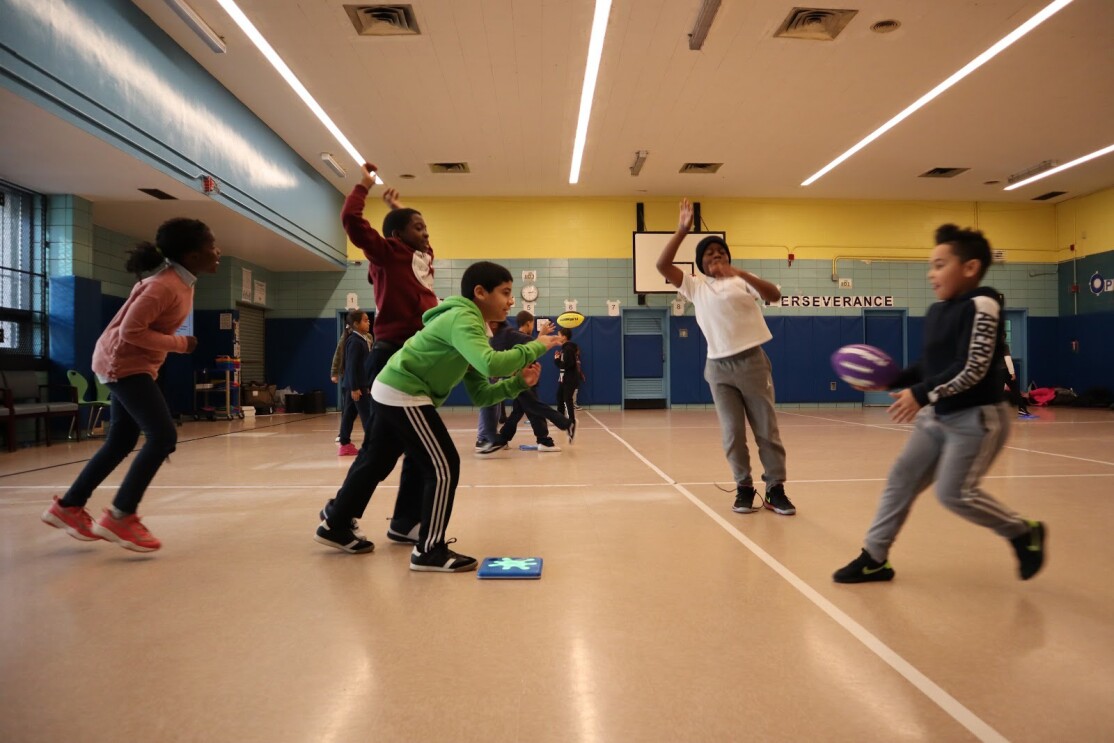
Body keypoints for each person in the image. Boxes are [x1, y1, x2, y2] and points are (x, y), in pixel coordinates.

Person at [314, 261, 563, 571]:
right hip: (403, 391)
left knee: (379, 459)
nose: (511, 301)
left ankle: (343, 523)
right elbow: (490, 365)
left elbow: (482, 394)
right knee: (444, 463)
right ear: (480, 292)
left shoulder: (473, 328)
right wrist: (535, 346)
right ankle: (429, 550)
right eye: (506, 292)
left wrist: (516, 383)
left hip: (393, 389)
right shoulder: (463, 318)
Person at [833, 224, 1046, 584]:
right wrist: (897, 380)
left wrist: (920, 394)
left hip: (977, 419)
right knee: (901, 478)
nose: (931, 274)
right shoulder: (937, 311)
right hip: (937, 416)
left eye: (939, 264)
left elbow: (973, 368)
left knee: (954, 494)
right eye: (930, 266)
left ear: (970, 268)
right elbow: (931, 366)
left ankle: (1023, 532)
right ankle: (874, 557)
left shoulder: (983, 303)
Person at [41, 218, 220, 552]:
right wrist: (181, 344)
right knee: (163, 436)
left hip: (132, 363)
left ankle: (68, 506)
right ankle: (122, 515)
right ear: (192, 255)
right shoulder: (164, 285)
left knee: (121, 440)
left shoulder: (182, 281)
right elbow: (130, 332)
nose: (218, 251)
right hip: (122, 363)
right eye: (212, 245)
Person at [319, 164, 439, 542]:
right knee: (391, 450)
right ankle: (338, 519)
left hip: (413, 359)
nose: (426, 234)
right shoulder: (388, 255)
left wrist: (397, 209)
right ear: (397, 236)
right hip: (392, 357)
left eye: (425, 227)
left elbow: (419, 244)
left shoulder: (420, 259)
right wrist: (365, 185)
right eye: (418, 228)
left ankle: (399, 521)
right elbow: (351, 220)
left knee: (393, 449)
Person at [655, 199, 794, 516]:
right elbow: (662, 265)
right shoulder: (695, 286)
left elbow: (774, 295)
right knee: (733, 434)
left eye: (721, 252)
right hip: (718, 368)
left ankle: (775, 489)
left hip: (753, 363)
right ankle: (744, 487)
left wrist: (739, 272)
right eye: (709, 254)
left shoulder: (742, 280)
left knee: (766, 431)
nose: (716, 256)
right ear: (701, 264)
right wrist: (681, 231)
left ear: (729, 258)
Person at [477, 310, 571, 453]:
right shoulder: (516, 336)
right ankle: (547, 438)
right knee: (534, 408)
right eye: (533, 323)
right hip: (523, 380)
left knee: (518, 411)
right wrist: (544, 336)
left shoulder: (511, 336)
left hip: (521, 380)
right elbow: (535, 347)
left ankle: (502, 439)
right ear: (528, 323)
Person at [336, 309, 373, 455]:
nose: (368, 322)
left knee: (349, 415)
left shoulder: (362, 340)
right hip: (356, 386)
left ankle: (344, 443)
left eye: (368, 320)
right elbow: (351, 366)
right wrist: (355, 387)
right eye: (365, 320)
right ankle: (372, 446)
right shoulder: (355, 341)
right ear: (356, 324)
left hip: (358, 385)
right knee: (367, 415)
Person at [553, 327, 580, 444]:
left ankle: (571, 422)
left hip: (570, 378)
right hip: (565, 378)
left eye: (559, 335)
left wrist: (558, 360)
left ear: (564, 337)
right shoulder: (566, 349)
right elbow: (564, 365)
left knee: (567, 399)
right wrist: (558, 360)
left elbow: (568, 364)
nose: (558, 336)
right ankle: (561, 421)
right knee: (559, 397)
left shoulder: (568, 348)